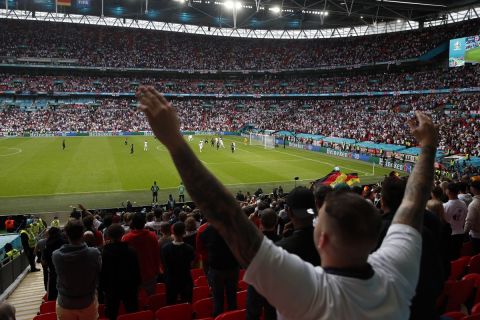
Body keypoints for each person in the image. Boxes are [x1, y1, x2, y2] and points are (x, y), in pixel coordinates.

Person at [136, 87, 438, 320]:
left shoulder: (308, 292)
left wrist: (173, 140)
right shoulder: (397, 272)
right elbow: (413, 205)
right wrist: (427, 148)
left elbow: (227, 216)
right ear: (375, 236)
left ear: (321, 238)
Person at [52, 220, 101, 320]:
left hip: (65, 303)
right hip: (88, 303)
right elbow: (99, 272)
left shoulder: (56, 255)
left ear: (66, 234)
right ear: (83, 234)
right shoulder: (94, 253)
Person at [100, 224, 141, 320]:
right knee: (132, 312)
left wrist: (104, 288)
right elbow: (136, 271)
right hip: (129, 287)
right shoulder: (132, 251)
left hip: (112, 289)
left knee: (112, 314)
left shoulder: (104, 253)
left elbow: (103, 273)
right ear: (122, 234)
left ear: (108, 236)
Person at [122, 213, 160, 296]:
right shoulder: (152, 236)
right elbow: (156, 255)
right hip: (149, 273)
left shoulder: (126, 238)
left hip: (133, 276)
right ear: (144, 222)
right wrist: (157, 270)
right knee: (151, 299)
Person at [161, 222, 195, 305]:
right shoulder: (189, 248)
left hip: (171, 280)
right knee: (187, 304)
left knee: (170, 304)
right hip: (185, 279)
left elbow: (164, 265)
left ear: (173, 231)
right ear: (184, 232)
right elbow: (191, 265)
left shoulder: (165, 248)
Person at [444, 182, 468, 260]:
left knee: (450, 258)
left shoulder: (445, 206)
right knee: (457, 256)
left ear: (448, 191)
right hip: (460, 233)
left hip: (450, 235)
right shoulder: (463, 204)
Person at [465, 180, 480, 254]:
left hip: (476, 236)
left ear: (473, 189)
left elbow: (469, 221)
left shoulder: (473, 204)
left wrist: (464, 232)